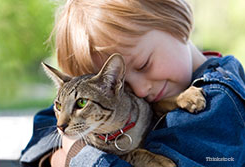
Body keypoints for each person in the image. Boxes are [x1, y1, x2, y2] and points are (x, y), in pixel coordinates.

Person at [20, 0, 245, 167]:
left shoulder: (218, 103)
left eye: (144, 65)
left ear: (174, 20)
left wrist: (73, 154)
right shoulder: (137, 93)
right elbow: (42, 132)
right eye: (120, 85)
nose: (137, 90)